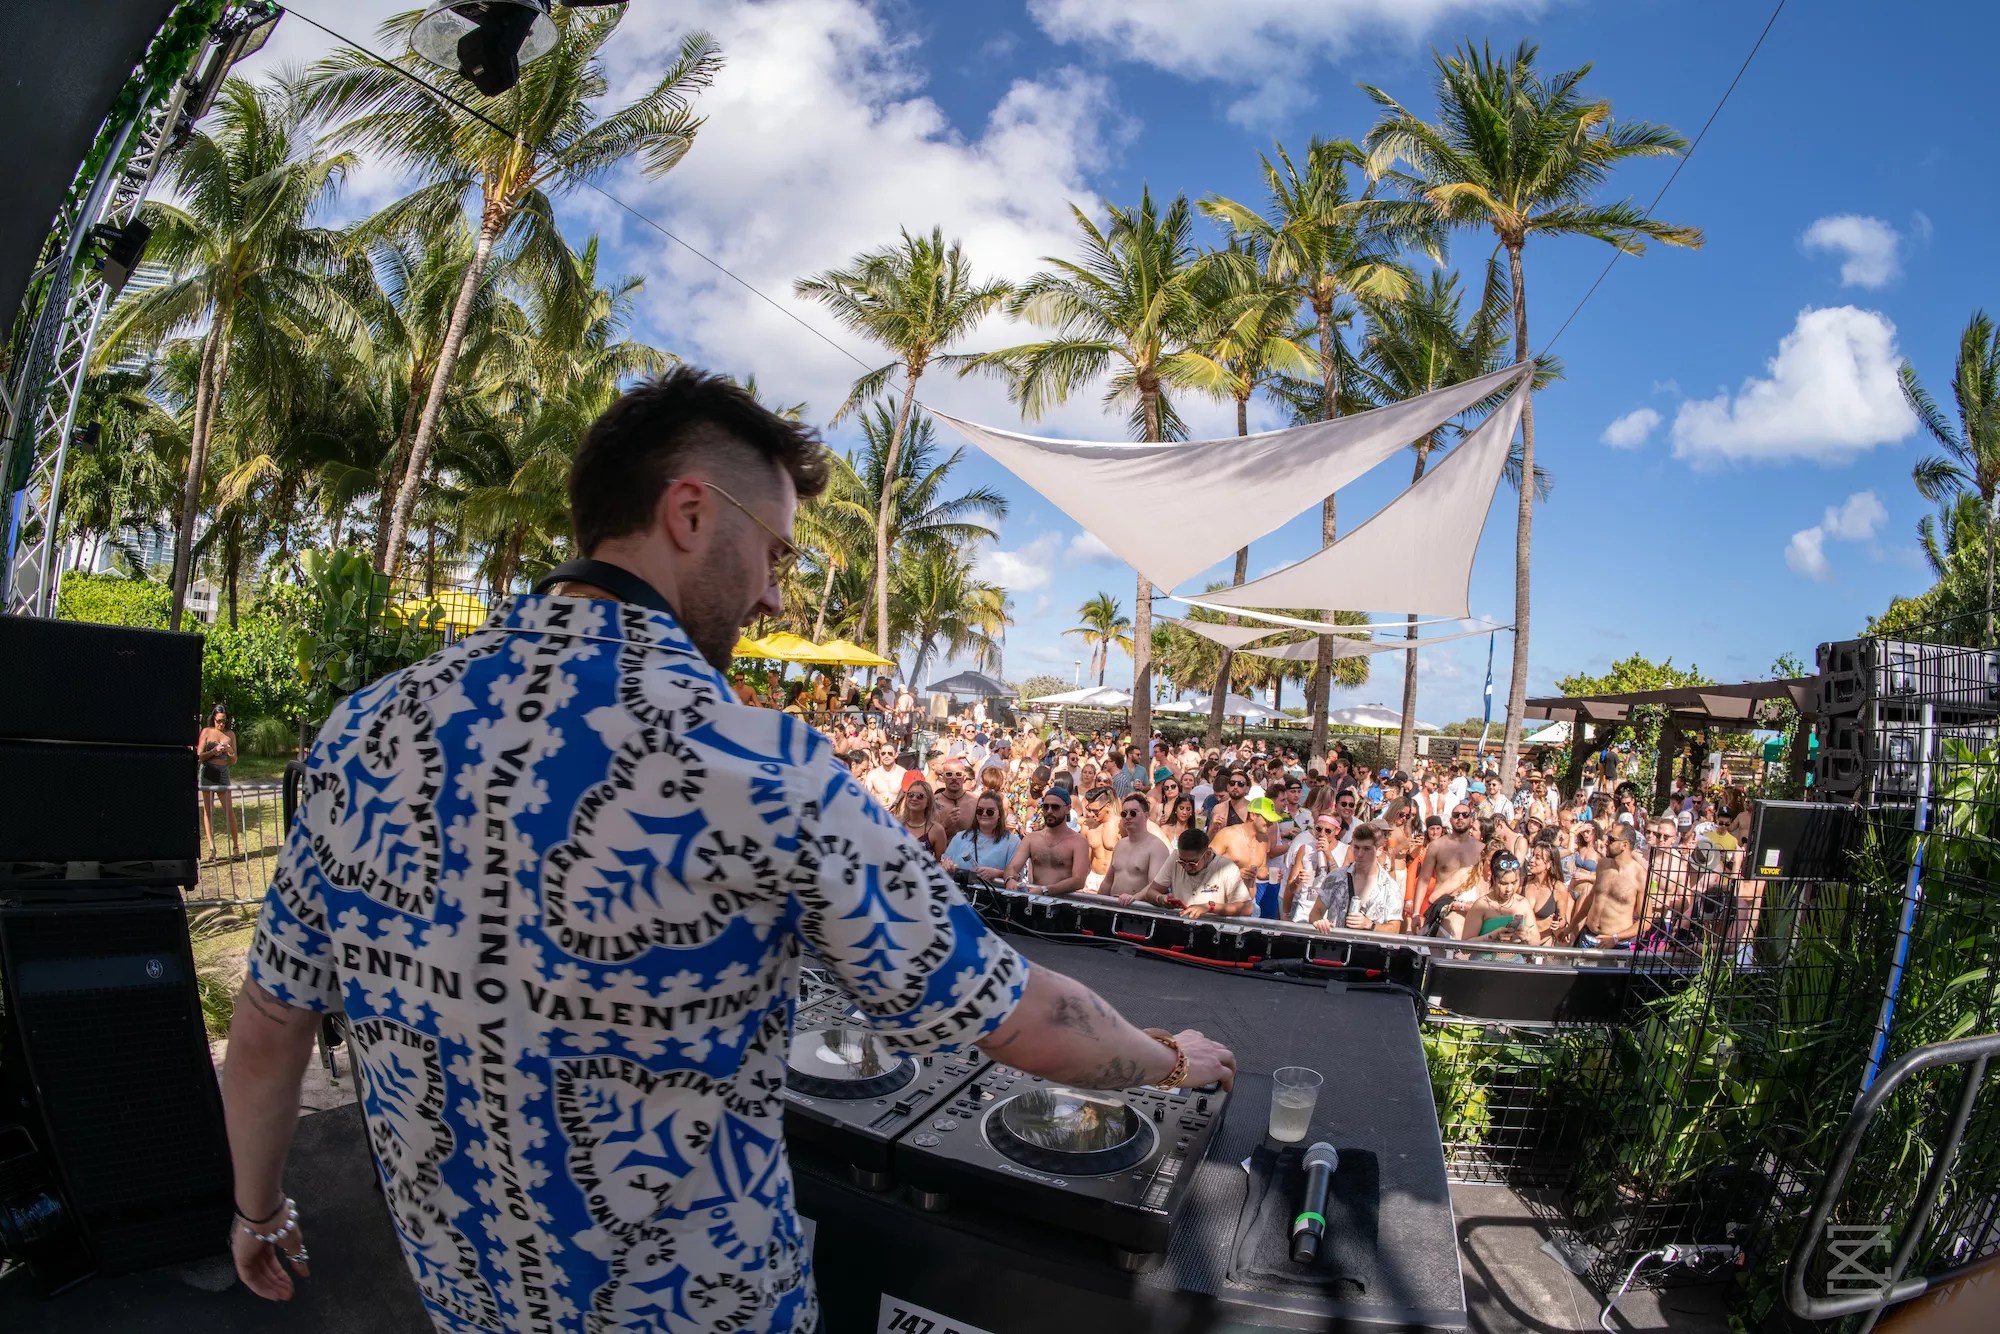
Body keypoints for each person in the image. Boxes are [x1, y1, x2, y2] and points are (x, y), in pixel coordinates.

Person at [219, 369, 1236, 1330]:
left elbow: (269, 1025)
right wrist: (1168, 1060)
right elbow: (1017, 1021)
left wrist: (257, 1209)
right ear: (690, 512)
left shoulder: (365, 728)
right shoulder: (761, 761)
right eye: (778, 553)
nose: (775, 597)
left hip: (467, 1300)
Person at [1118, 828, 1253, 919]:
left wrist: (1209, 907)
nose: (1187, 867)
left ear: (1208, 853)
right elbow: (1152, 891)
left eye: (1193, 863)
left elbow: (1247, 908)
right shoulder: (1175, 857)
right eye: (1182, 862)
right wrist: (1162, 899)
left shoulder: (1226, 868)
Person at [1309, 823, 1402, 933]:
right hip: (1336, 944)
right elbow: (1315, 912)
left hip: (1370, 947)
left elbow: (1395, 928)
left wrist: (1370, 925)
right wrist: (1320, 922)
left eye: (1366, 849)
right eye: (1356, 847)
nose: (1360, 854)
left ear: (1379, 850)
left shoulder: (1390, 886)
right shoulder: (1335, 877)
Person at [1571, 820, 1647, 947]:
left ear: (1624, 845)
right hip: (1588, 936)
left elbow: (1645, 921)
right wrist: (1571, 927)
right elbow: (1591, 900)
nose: (1606, 842)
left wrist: (1616, 938)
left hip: (1616, 944)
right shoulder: (1602, 864)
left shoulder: (1639, 876)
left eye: (1611, 839)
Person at [1004, 785, 1091, 895]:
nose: (1049, 811)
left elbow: (1079, 880)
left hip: (1063, 904)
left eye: (1055, 807)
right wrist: (1010, 879)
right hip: (1035, 901)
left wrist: (1045, 890)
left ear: (1068, 809)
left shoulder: (1078, 842)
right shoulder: (1031, 838)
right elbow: (1012, 867)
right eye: (1045, 807)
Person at [1418, 803, 1485, 924]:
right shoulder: (1436, 846)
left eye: (1465, 815)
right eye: (1456, 815)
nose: (1460, 818)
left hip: (1470, 913)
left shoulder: (1480, 849)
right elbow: (1423, 879)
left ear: (1471, 820)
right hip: (1441, 908)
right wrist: (1416, 913)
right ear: (1450, 820)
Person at [1100, 793, 1172, 901]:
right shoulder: (1120, 845)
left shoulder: (1157, 847)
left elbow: (1156, 885)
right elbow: (1107, 881)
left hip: (1138, 909)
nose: (1128, 817)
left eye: (1133, 813)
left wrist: (1133, 898)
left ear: (1146, 816)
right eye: (1124, 814)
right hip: (1114, 905)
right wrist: (1096, 902)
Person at [941, 793, 1020, 883]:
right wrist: (947, 865)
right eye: (980, 811)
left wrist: (997, 873)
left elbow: (1017, 874)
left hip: (993, 894)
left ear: (999, 814)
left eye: (990, 811)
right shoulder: (960, 837)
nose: (984, 814)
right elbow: (944, 862)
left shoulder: (1012, 842)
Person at [198, 704, 242, 860]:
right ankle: (212, 848)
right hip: (208, 772)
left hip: (222, 773)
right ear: (213, 719)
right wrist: (213, 751)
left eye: (224, 721)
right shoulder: (207, 732)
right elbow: (199, 755)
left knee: (228, 810)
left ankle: (236, 847)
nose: (221, 724)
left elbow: (234, 760)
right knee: (208, 811)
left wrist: (230, 752)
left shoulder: (230, 734)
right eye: (218, 721)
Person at [892, 773, 948, 858]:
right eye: (910, 795)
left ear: (928, 802)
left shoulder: (936, 830)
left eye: (920, 796)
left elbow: (941, 863)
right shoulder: (895, 823)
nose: (914, 798)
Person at [931, 759, 976, 834]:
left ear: (964, 777)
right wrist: (945, 824)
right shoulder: (934, 802)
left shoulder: (975, 801)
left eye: (958, 774)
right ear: (943, 778)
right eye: (949, 774)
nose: (954, 779)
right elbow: (927, 835)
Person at [863, 740, 906, 806]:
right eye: (883, 753)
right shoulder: (872, 774)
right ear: (880, 754)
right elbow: (865, 796)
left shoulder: (904, 774)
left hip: (897, 814)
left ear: (896, 755)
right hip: (878, 812)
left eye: (890, 753)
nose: (886, 756)